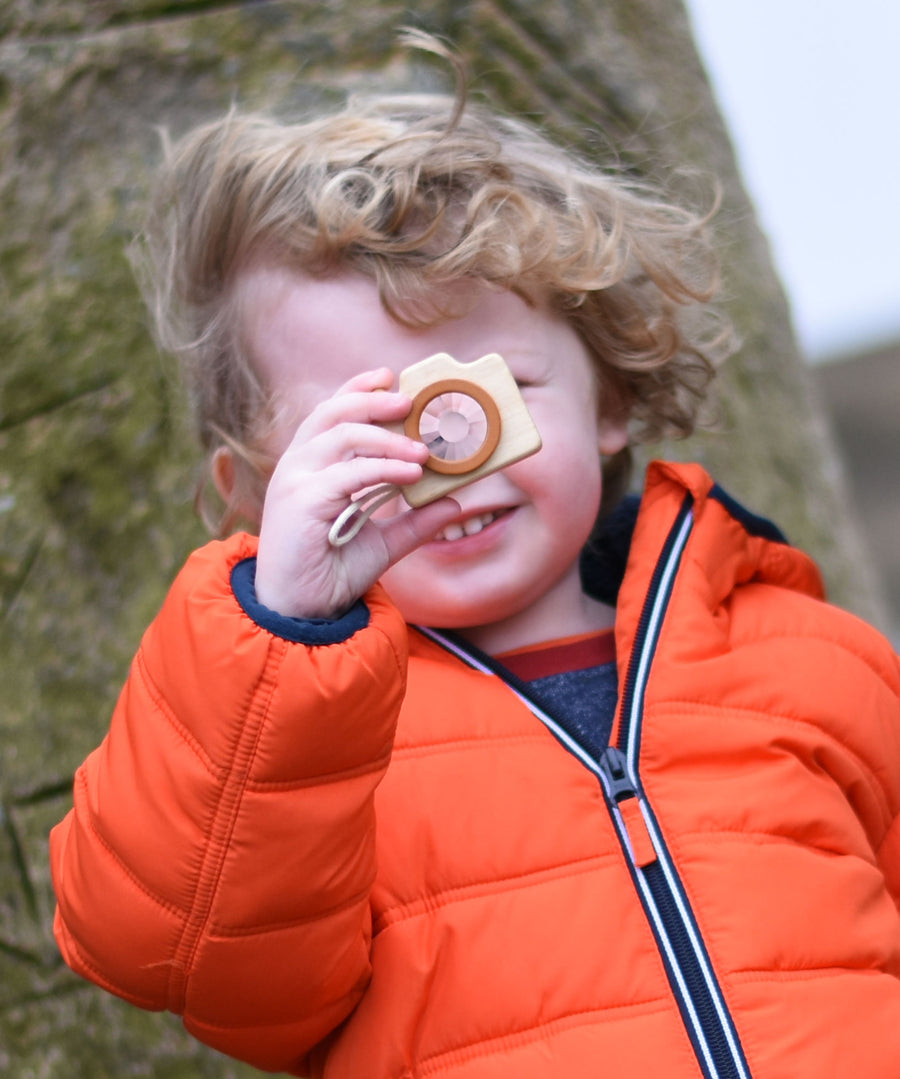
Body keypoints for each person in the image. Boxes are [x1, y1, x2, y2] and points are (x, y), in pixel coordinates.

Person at [49, 36, 900, 1079]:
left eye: (486, 401)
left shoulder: (817, 661)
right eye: (363, 432)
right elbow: (182, 962)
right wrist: (285, 633)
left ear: (612, 398)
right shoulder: (296, 755)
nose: (438, 463)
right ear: (261, 493)